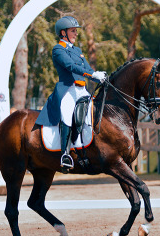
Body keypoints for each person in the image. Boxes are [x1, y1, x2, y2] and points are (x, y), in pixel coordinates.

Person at [35, 16, 107, 171]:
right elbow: (70, 66)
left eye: (76, 31)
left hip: (82, 90)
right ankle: (65, 154)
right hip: (67, 90)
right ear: (63, 33)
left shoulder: (78, 50)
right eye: (73, 31)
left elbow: (86, 68)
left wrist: (97, 75)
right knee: (67, 116)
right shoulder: (58, 49)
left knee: (93, 114)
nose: (76, 33)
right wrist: (92, 75)